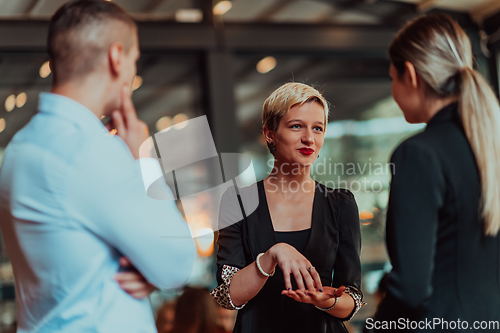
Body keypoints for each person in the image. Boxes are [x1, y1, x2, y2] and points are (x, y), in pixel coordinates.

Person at [0, 1, 196, 332]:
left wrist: (151, 268)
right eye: (135, 60)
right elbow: (178, 263)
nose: (133, 71)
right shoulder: (90, 148)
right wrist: (143, 160)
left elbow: (76, 253)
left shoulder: (19, 147)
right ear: (116, 57)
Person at [371, 14, 500, 332]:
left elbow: (411, 290)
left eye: (393, 78)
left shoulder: (418, 154)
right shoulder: (491, 145)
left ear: (411, 75)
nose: (393, 91)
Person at [211, 82, 365, 332]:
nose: (309, 138)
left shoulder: (340, 204)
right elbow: (229, 296)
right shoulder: (238, 201)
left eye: (318, 128)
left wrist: (329, 301)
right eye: (296, 126)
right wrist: (273, 255)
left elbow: (352, 299)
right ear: (270, 133)